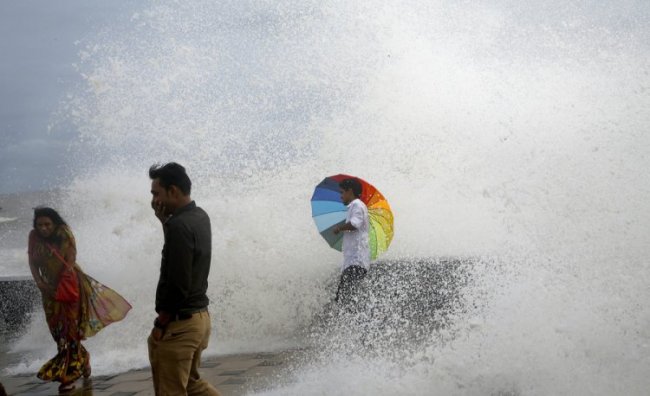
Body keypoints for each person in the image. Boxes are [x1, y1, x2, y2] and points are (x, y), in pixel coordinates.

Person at [27, 207, 131, 393]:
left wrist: (61, 288)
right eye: (40, 224)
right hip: (48, 291)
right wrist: (39, 282)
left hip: (69, 286)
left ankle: (68, 376)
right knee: (57, 331)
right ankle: (83, 359)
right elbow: (32, 261)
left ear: (55, 223)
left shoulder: (64, 234)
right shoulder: (33, 237)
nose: (43, 228)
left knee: (71, 331)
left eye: (47, 224)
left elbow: (70, 262)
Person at [148, 162, 221, 396]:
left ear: (173, 191)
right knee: (192, 385)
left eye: (156, 193)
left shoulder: (179, 225)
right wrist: (165, 224)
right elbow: (182, 255)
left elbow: (178, 282)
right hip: (200, 318)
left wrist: (162, 322)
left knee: (171, 391)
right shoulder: (200, 216)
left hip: (181, 324)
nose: (153, 200)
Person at [332, 177, 370, 304]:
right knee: (344, 299)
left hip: (356, 262)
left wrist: (339, 228)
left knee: (343, 299)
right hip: (353, 262)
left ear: (350, 191)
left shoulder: (357, 205)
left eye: (342, 192)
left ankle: (352, 321)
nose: (341, 196)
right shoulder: (354, 207)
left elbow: (355, 224)